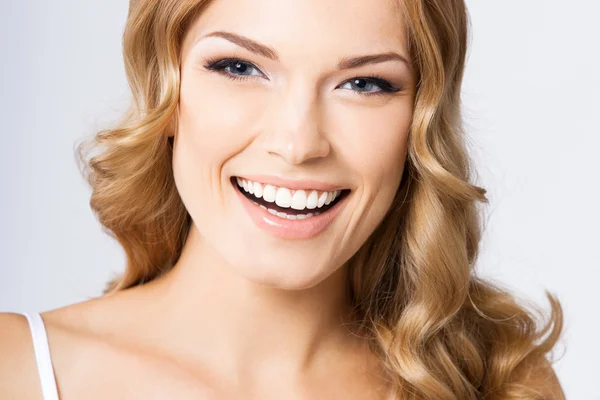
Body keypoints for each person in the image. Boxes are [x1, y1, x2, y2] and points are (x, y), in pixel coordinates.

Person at [0, 0, 565, 398]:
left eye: (365, 84)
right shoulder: (18, 371)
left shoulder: (501, 382)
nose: (298, 145)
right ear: (164, 91)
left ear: (420, 123)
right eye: (239, 68)